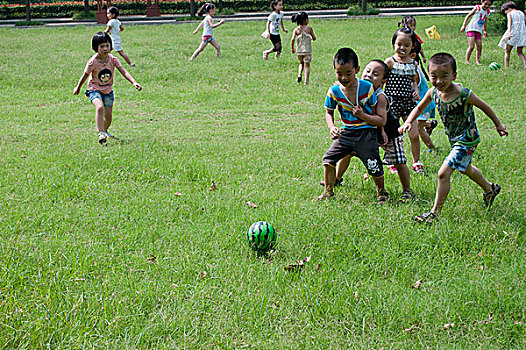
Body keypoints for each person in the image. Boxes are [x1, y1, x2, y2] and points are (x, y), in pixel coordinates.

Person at [399, 53, 508, 223]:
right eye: (434, 76)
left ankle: (435, 214)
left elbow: (484, 106)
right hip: (455, 139)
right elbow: (419, 108)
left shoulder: (464, 94)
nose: (439, 81)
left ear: (454, 75)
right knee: (465, 168)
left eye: (445, 76)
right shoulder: (433, 92)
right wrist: (408, 122)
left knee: (443, 173)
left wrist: (498, 125)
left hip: (467, 139)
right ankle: (490, 189)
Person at [326, 60, 416, 202]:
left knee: (399, 161)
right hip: (368, 131)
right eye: (367, 71)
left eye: (375, 74)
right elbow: (343, 85)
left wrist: (381, 129)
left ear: (383, 81)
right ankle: (336, 179)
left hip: (388, 131)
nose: (369, 75)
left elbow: (381, 119)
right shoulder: (358, 87)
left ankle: (407, 190)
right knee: (347, 153)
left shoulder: (380, 96)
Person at [317, 48, 388, 203]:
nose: (343, 77)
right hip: (346, 134)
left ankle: (381, 192)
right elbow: (329, 112)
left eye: (348, 73)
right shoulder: (334, 91)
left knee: (374, 164)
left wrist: (370, 122)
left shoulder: (366, 88)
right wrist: (332, 127)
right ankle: (328, 191)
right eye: (339, 73)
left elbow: (378, 116)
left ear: (357, 70)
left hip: (366, 134)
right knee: (328, 159)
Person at [73, 32, 142, 144]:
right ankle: (101, 134)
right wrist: (78, 87)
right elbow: (85, 75)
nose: (105, 48)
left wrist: (134, 82)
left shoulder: (113, 59)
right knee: (99, 107)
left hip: (108, 91)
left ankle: (105, 130)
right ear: (96, 48)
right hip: (94, 89)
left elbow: (123, 71)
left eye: (107, 45)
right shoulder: (92, 62)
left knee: (108, 116)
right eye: (102, 46)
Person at [384, 27, 423, 174]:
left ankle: (416, 161)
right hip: (392, 103)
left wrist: (416, 90)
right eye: (399, 44)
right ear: (394, 44)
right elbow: (382, 80)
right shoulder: (390, 62)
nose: (402, 48)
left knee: (414, 134)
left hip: (408, 103)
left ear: (412, 46)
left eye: (406, 45)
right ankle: (391, 162)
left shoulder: (413, 63)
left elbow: (414, 80)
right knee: (392, 136)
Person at [411, 41, 437, 153]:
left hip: (423, 104)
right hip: (422, 104)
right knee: (418, 124)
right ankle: (430, 124)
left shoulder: (413, 70)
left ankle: (432, 148)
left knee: (419, 128)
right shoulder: (413, 67)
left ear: (412, 55)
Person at [460, 0, 493, 65]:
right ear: (482, 1)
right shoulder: (477, 8)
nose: (487, 6)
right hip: (471, 28)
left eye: (489, 5)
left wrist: (485, 30)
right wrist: (463, 25)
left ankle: (478, 61)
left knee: (479, 46)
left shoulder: (487, 11)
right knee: (471, 46)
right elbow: (468, 15)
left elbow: (484, 21)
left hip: (478, 30)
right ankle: (467, 61)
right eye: (485, 4)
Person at [290, 11, 316, 85]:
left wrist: (292, 48)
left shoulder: (296, 30)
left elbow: (292, 39)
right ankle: (306, 82)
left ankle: (299, 75)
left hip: (299, 51)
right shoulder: (309, 29)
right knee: (307, 65)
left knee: (301, 63)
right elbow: (314, 38)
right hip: (307, 50)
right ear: (306, 20)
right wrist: (312, 38)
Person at [498, 1, 526, 68]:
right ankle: (525, 65)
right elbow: (524, 21)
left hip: (514, 32)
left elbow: (509, 24)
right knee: (520, 52)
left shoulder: (510, 14)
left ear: (509, 8)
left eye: (506, 11)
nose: (506, 13)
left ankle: (506, 67)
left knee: (507, 51)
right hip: (522, 33)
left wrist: (509, 33)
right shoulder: (521, 13)